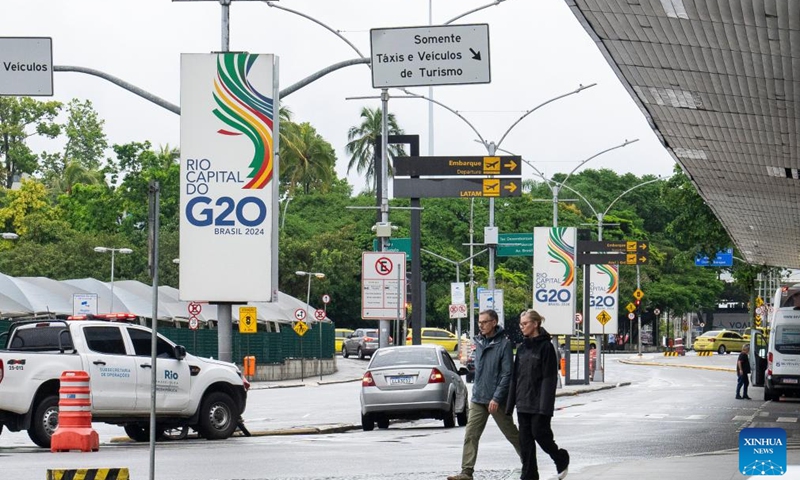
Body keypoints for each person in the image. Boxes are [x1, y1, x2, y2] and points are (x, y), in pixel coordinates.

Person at [447, 309, 521, 480]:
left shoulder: (504, 344)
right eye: (479, 322)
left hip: (496, 399)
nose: (481, 325)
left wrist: (496, 397)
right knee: (471, 434)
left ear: (494, 322)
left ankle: (529, 462)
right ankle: (466, 472)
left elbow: (507, 374)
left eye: (484, 322)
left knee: (511, 433)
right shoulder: (479, 342)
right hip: (479, 398)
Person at [507, 309, 570, 480]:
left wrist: (545, 408)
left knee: (540, 434)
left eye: (525, 324)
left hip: (539, 403)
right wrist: (510, 404)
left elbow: (549, 379)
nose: (522, 327)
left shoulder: (546, 347)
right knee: (525, 443)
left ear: (535, 324)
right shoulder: (521, 349)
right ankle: (529, 475)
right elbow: (515, 377)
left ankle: (560, 457)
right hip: (522, 402)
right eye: (521, 324)